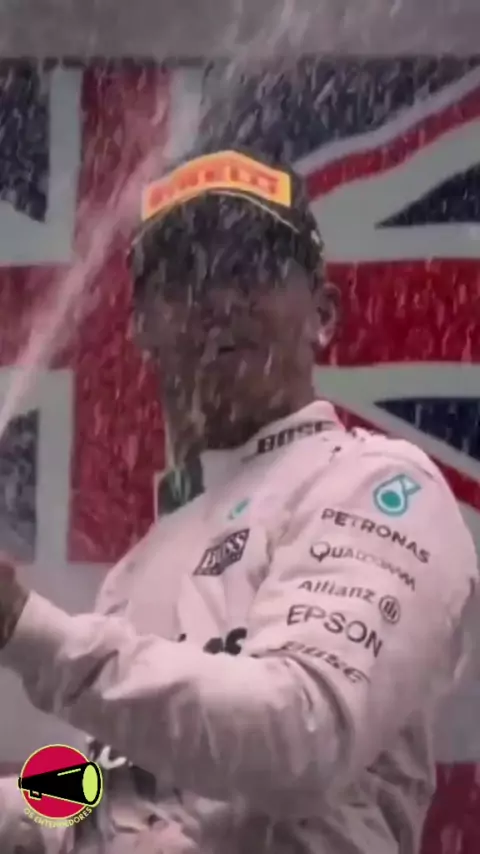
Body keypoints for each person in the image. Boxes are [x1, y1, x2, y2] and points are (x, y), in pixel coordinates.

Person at [0, 144, 477, 854]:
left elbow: (300, 735)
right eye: (184, 278)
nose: (218, 301)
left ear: (323, 313)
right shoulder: (138, 567)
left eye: (253, 269)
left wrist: (23, 627)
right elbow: (106, 785)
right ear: (143, 329)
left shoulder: (378, 485)